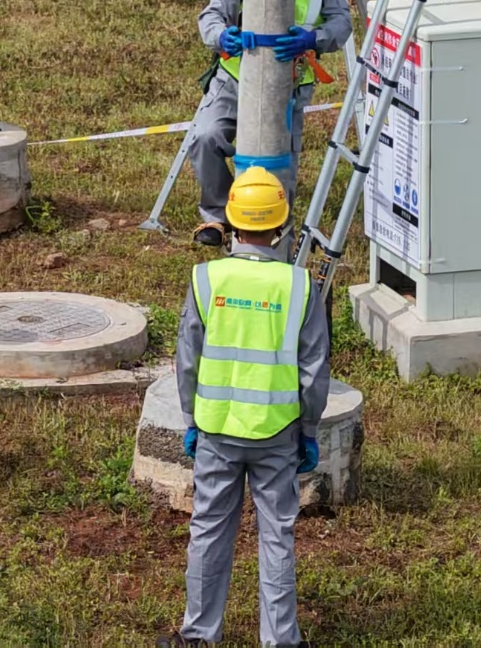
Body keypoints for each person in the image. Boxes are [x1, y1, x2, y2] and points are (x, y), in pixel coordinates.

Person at [160, 167, 331, 648]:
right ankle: (280, 639)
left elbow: (187, 359)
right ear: (281, 227)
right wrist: (310, 430)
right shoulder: (299, 288)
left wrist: (192, 418)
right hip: (278, 434)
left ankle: (198, 635)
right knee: (277, 534)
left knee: (210, 528)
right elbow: (314, 371)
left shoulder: (205, 279)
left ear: (231, 224)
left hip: (216, 432)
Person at [186, 0, 351, 247]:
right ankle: (219, 216)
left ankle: (276, 233)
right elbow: (211, 14)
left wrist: (315, 38)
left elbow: (341, 24)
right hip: (235, 76)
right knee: (205, 137)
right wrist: (220, 36)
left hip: (288, 83)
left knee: (280, 163)